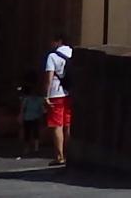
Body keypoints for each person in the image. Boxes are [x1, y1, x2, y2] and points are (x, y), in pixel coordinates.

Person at [43, 34, 72, 166]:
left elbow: (49, 77)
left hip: (56, 93)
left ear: (58, 41)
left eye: (52, 40)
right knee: (68, 124)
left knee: (57, 125)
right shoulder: (73, 53)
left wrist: (46, 95)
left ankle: (59, 156)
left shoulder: (52, 56)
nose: (51, 43)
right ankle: (70, 154)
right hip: (70, 93)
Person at [17, 85, 44, 157]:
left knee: (36, 133)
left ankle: (36, 148)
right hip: (27, 118)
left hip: (36, 117)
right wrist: (21, 116)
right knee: (27, 133)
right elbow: (22, 108)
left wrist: (42, 115)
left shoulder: (40, 99)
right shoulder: (27, 99)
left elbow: (42, 109)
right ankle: (27, 148)